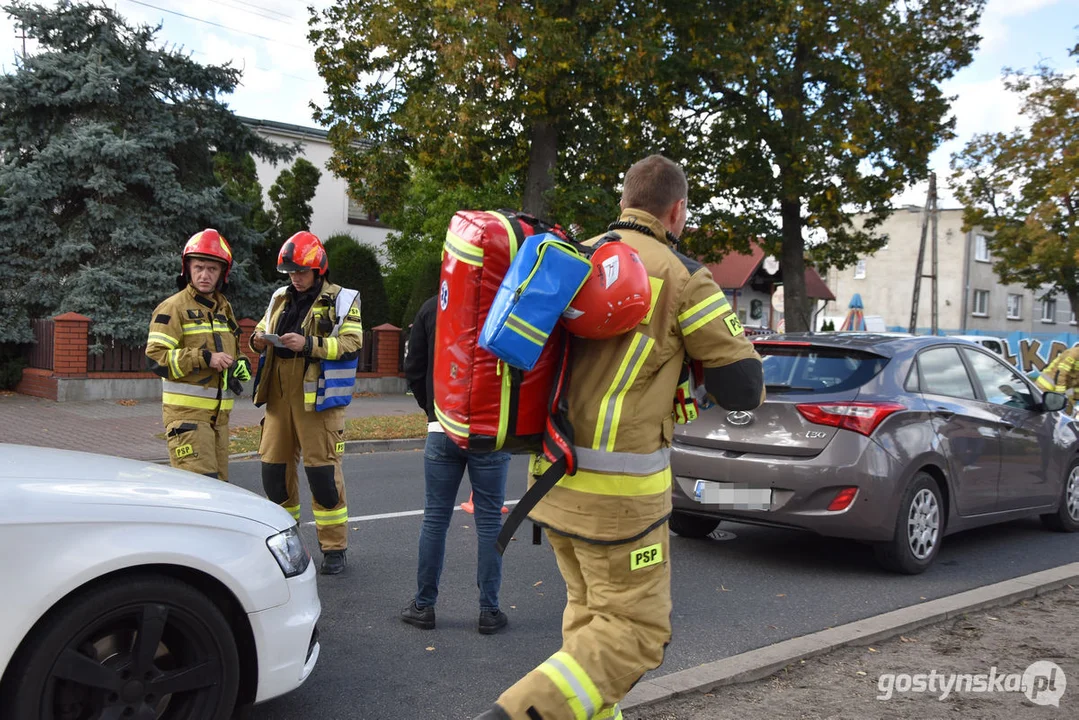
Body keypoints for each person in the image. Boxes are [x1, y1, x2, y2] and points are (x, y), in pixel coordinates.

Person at [475, 155, 765, 720]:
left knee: (589, 624)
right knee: (634, 633)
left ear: (625, 200)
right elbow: (742, 388)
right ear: (677, 210)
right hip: (622, 504)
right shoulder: (683, 276)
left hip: (552, 483)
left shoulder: (576, 255)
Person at [250, 230, 363, 575]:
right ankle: (288, 547)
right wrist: (257, 340)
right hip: (278, 393)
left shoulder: (343, 300)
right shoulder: (279, 298)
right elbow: (260, 329)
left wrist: (309, 344)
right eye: (290, 273)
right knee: (274, 473)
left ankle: (334, 550)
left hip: (317, 394)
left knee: (323, 475)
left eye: (301, 272)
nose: (295, 279)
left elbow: (352, 342)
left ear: (318, 270)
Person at [400, 295, 513, 633]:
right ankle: (489, 612)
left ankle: (423, 606)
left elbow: (414, 367)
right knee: (490, 523)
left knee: (435, 519)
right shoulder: (507, 303)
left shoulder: (433, 306)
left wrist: (432, 411)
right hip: (491, 430)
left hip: (443, 426)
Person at [146, 229, 249, 481]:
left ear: (222, 273)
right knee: (199, 493)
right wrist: (205, 358)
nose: (205, 275)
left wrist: (241, 364)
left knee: (219, 492)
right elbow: (156, 358)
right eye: (199, 267)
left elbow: (234, 350)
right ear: (188, 268)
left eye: (212, 269)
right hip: (187, 421)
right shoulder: (173, 307)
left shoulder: (223, 308)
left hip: (219, 421)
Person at [1031, 345, 1079, 414]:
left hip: (1066, 387)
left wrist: (1076, 398)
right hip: (1046, 385)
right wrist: (1061, 394)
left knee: (1068, 411)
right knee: (1039, 413)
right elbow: (1061, 374)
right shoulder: (1072, 354)